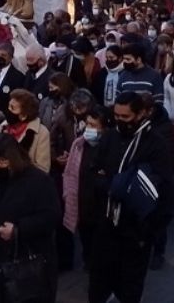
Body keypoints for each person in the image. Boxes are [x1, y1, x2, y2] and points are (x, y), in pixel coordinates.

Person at [88, 92, 174, 303]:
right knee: (98, 283)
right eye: (116, 115)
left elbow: (160, 186)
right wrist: (116, 184)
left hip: (135, 229)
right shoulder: (109, 136)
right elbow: (93, 171)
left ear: (141, 114)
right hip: (106, 223)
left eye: (125, 117)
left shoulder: (155, 143)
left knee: (129, 287)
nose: (119, 120)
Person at [0, 134, 61, 303]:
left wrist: (19, 229)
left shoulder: (39, 181)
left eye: (3, 161)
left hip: (27, 261)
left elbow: (51, 216)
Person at [62, 106, 110, 269]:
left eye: (93, 125)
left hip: (101, 207)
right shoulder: (79, 145)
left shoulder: (109, 148)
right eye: (87, 124)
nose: (88, 128)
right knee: (86, 240)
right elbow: (70, 173)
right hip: (82, 204)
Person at [0, 89, 52, 173]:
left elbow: (43, 169)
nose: (8, 110)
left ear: (24, 115)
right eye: (8, 106)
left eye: (12, 108)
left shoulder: (41, 133)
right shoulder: (3, 126)